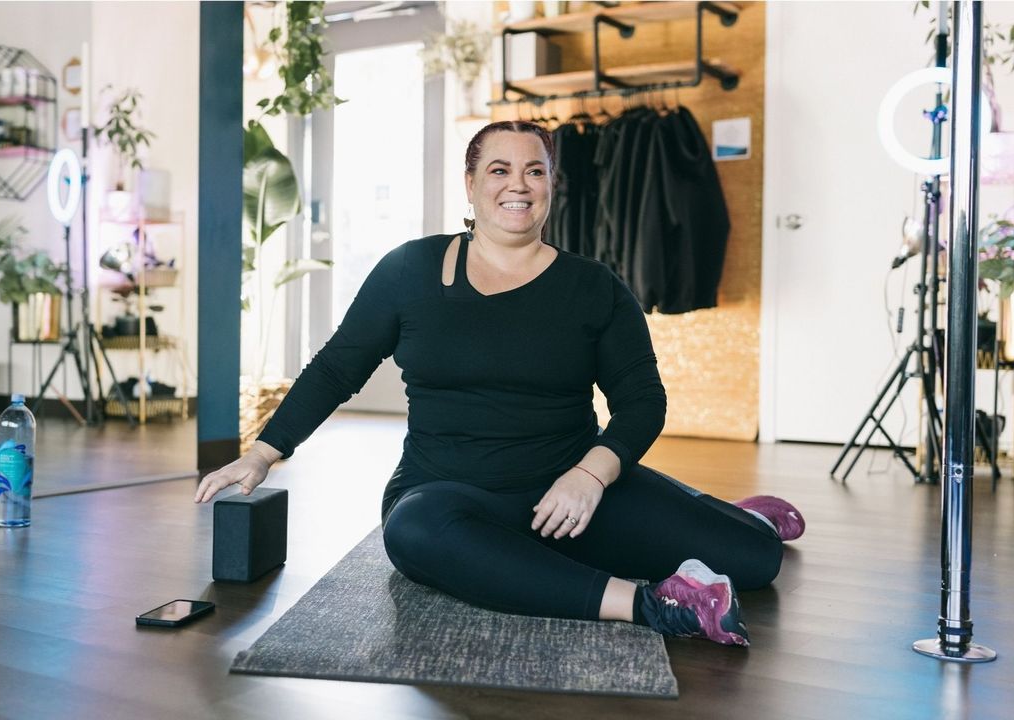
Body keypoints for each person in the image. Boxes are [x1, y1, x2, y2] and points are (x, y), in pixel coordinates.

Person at [195, 120, 804, 647]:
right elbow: (337, 367)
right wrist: (264, 452)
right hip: (449, 492)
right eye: (499, 169)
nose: (519, 184)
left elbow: (643, 402)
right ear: (471, 183)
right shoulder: (410, 270)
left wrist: (591, 476)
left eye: (535, 171)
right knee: (413, 532)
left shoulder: (595, 288)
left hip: (572, 491)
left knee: (756, 560)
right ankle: (654, 606)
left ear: (550, 186)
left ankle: (735, 518)